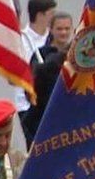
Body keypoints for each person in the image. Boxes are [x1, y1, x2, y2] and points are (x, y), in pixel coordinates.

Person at [25, 9, 72, 140]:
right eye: (59, 29)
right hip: (42, 119)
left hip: (69, 118)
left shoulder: (76, 55)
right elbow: (29, 88)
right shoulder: (40, 55)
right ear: (51, 29)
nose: (63, 32)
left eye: (67, 29)